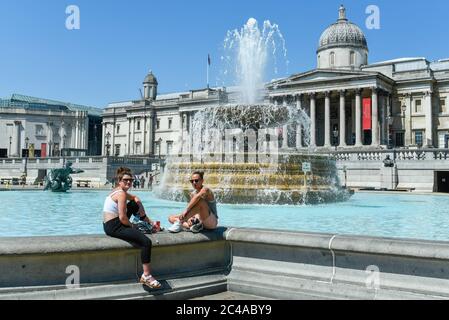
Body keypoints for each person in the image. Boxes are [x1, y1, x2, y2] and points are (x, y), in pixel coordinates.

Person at [103, 167, 161, 289]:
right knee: (146, 242)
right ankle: (146, 275)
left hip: (109, 224)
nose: (129, 182)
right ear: (119, 181)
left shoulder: (118, 191)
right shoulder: (121, 194)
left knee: (134, 204)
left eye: (131, 180)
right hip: (115, 226)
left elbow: (135, 198)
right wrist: (133, 226)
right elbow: (123, 218)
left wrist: (141, 208)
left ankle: (148, 223)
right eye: (126, 180)